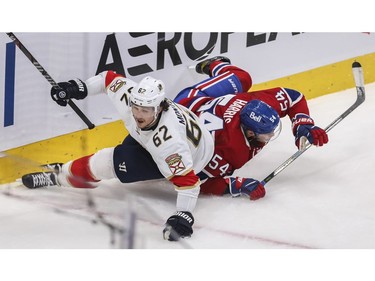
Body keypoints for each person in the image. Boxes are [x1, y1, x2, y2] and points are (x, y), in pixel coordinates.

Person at [22, 73, 215, 242]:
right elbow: (108, 78)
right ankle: (68, 170)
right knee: (120, 154)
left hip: (193, 156)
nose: (138, 115)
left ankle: (59, 177)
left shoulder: (169, 143)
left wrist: (184, 214)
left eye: (145, 110)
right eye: (136, 107)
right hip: (186, 138)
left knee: (106, 163)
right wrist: (78, 88)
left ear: (159, 108)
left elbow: (189, 183)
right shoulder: (133, 99)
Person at [173, 56, 329, 199]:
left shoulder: (261, 103)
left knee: (242, 78)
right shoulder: (226, 148)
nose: (271, 135)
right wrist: (237, 185)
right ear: (249, 132)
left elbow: (293, 97)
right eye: (266, 133)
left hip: (209, 105)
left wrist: (302, 124)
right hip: (188, 103)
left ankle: (214, 64)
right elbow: (195, 180)